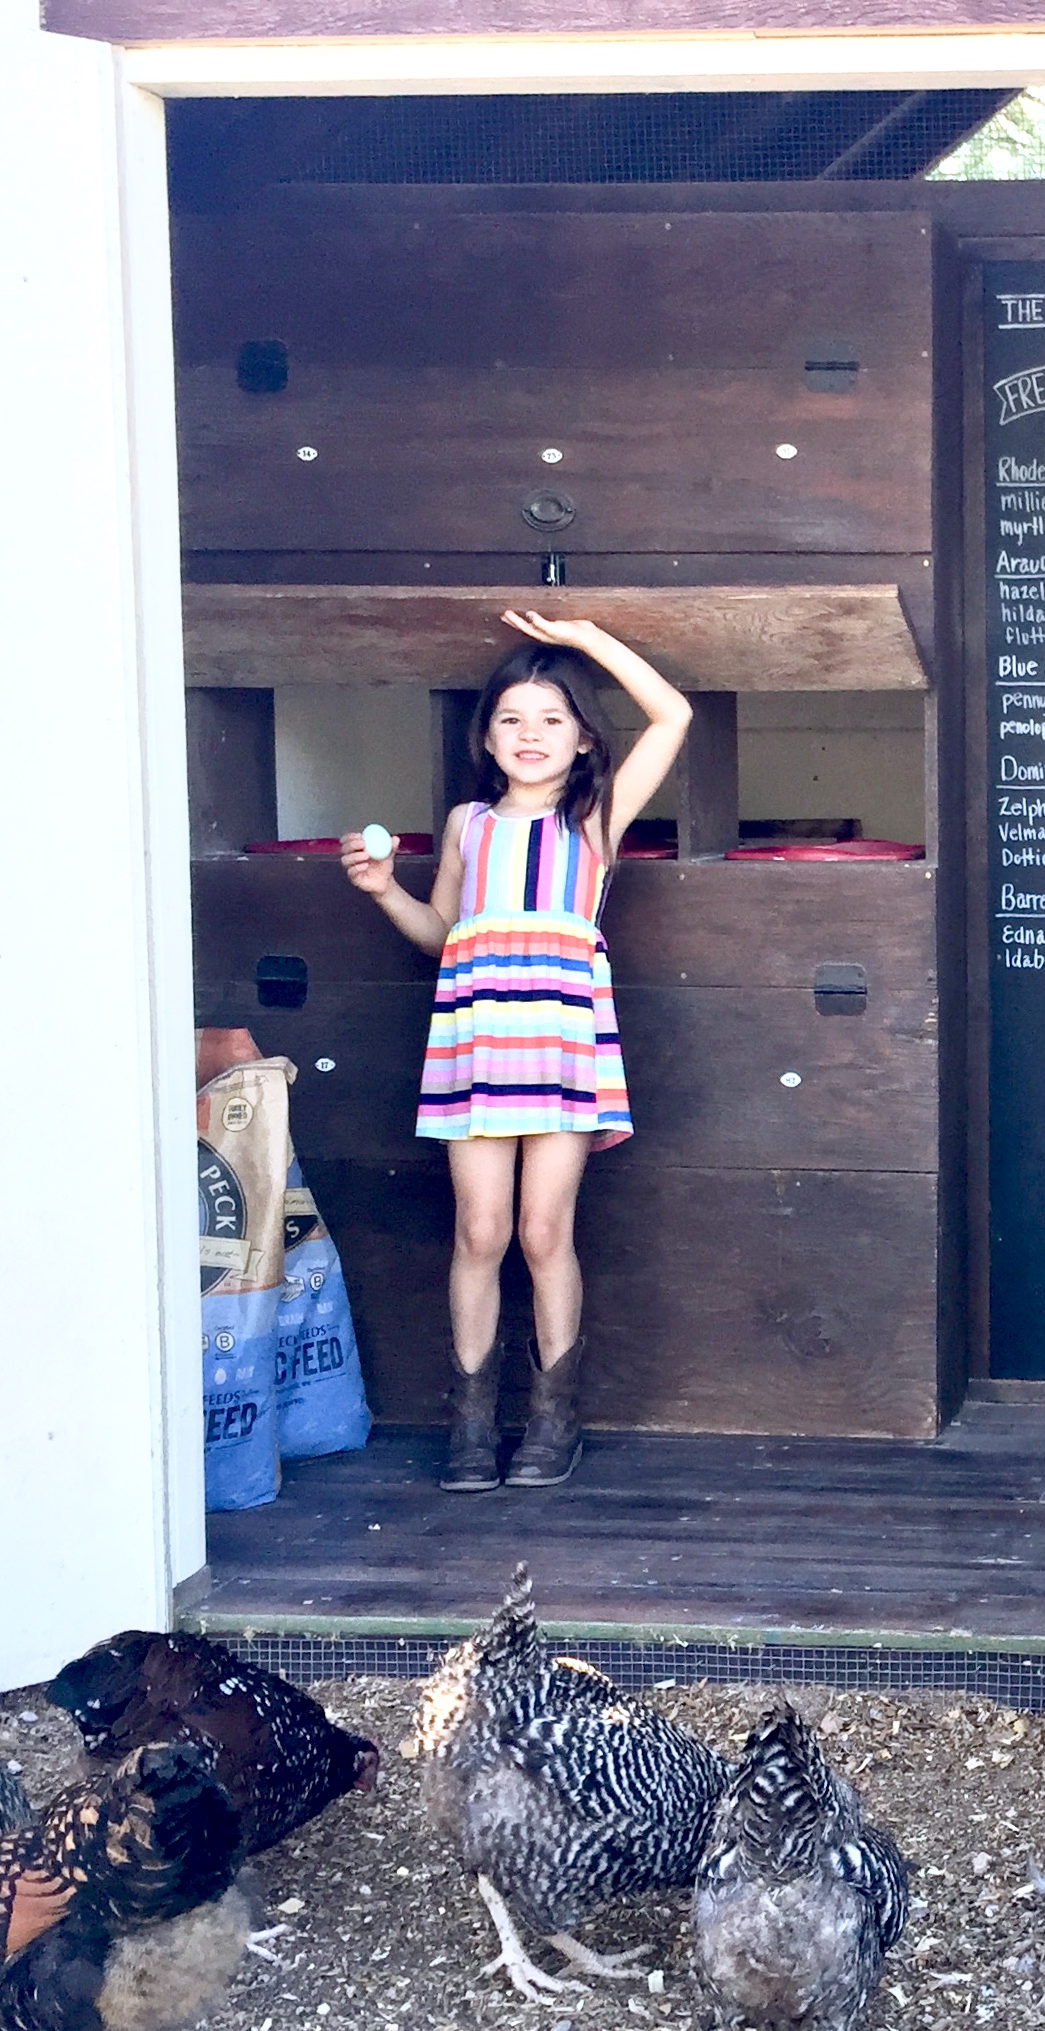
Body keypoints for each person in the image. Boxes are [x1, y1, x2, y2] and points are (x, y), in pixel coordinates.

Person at [341, 611, 690, 1494]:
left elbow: (673, 714)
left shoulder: (594, 818)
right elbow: (444, 932)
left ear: (584, 739)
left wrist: (585, 640)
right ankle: (469, 1424)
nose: (529, 735)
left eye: (551, 719)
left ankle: (550, 1420)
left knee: (542, 1231)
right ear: (487, 738)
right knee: (480, 1229)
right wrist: (384, 892)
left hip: (563, 1047)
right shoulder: (468, 824)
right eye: (511, 719)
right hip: (477, 1044)